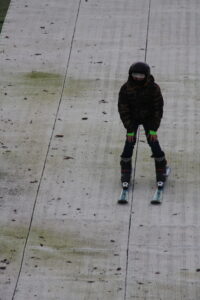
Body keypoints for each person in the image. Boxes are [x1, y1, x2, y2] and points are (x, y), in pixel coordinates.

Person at [118, 61, 167, 185]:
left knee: (153, 141)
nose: (137, 78)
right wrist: (129, 129)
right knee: (129, 143)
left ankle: (161, 166)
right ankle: (125, 168)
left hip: (149, 118)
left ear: (146, 75)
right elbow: (123, 109)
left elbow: (158, 109)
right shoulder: (126, 88)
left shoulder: (154, 88)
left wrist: (153, 129)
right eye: (135, 75)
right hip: (132, 119)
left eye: (141, 76)